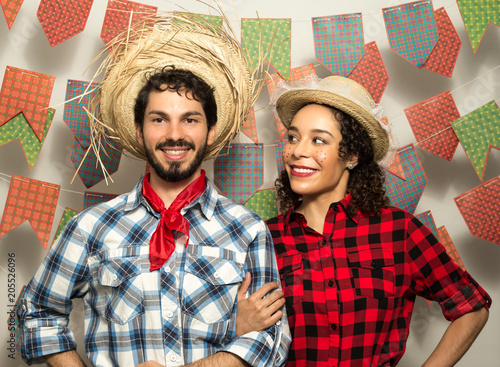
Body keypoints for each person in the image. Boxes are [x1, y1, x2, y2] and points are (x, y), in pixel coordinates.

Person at [17, 13, 290, 367]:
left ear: (210, 131)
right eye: (159, 119)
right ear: (140, 129)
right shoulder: (91, 227)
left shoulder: (248, 229)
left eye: (189, 119)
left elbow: (272, 339)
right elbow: (36, 312)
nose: (174, 134)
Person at [249, 75, 491, 366]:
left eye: (318, 140)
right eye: (292, 137)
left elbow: (471, 307)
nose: (299, 151)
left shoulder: (398, 231)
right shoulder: (262, 237)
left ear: (352, 155)